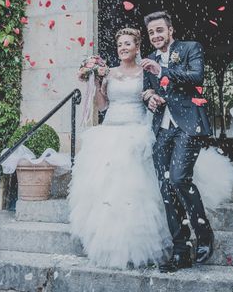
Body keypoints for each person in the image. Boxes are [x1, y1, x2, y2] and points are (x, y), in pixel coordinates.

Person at [68, 28, 172, 269]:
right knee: (105, 190)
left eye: (127, 44)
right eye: (119, 45)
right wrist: (94, 85)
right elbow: (103, 105)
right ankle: (105, 239)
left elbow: (151, 98)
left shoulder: (145, 72)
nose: (123, 48)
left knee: (131, 190)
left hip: (136, 130)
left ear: (137, 47)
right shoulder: (109, 73)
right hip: (109, 129)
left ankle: (133, 241)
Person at [141, 10, 215, 272]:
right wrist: (149, 96)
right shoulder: (148, 59)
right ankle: (181, 250)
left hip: (188, 124)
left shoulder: (190, 48)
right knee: (166, 189)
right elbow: (148, 87)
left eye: (160, 30)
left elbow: (197, 77)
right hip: (162, 128)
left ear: (170, 30)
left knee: (178, 178)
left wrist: (163, 69)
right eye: (151, 32)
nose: (156, 36)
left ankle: (203, 233)